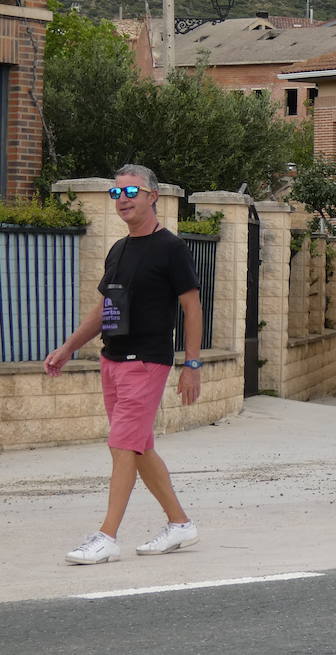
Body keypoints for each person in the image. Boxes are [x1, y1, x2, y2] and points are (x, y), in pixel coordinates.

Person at [45, 164, 205, 565]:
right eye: (116, 194)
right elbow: (105, 308)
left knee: (120, 445)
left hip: (147, 361)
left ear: (153, 196)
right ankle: (180, 523)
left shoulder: (171, 248)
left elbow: (192, 306)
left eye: (131, 192)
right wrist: (68, 349)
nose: (123, 200)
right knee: (138, 447)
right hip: (112, 358)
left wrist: (192, 364)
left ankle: (107, 536)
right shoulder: (118, 250)